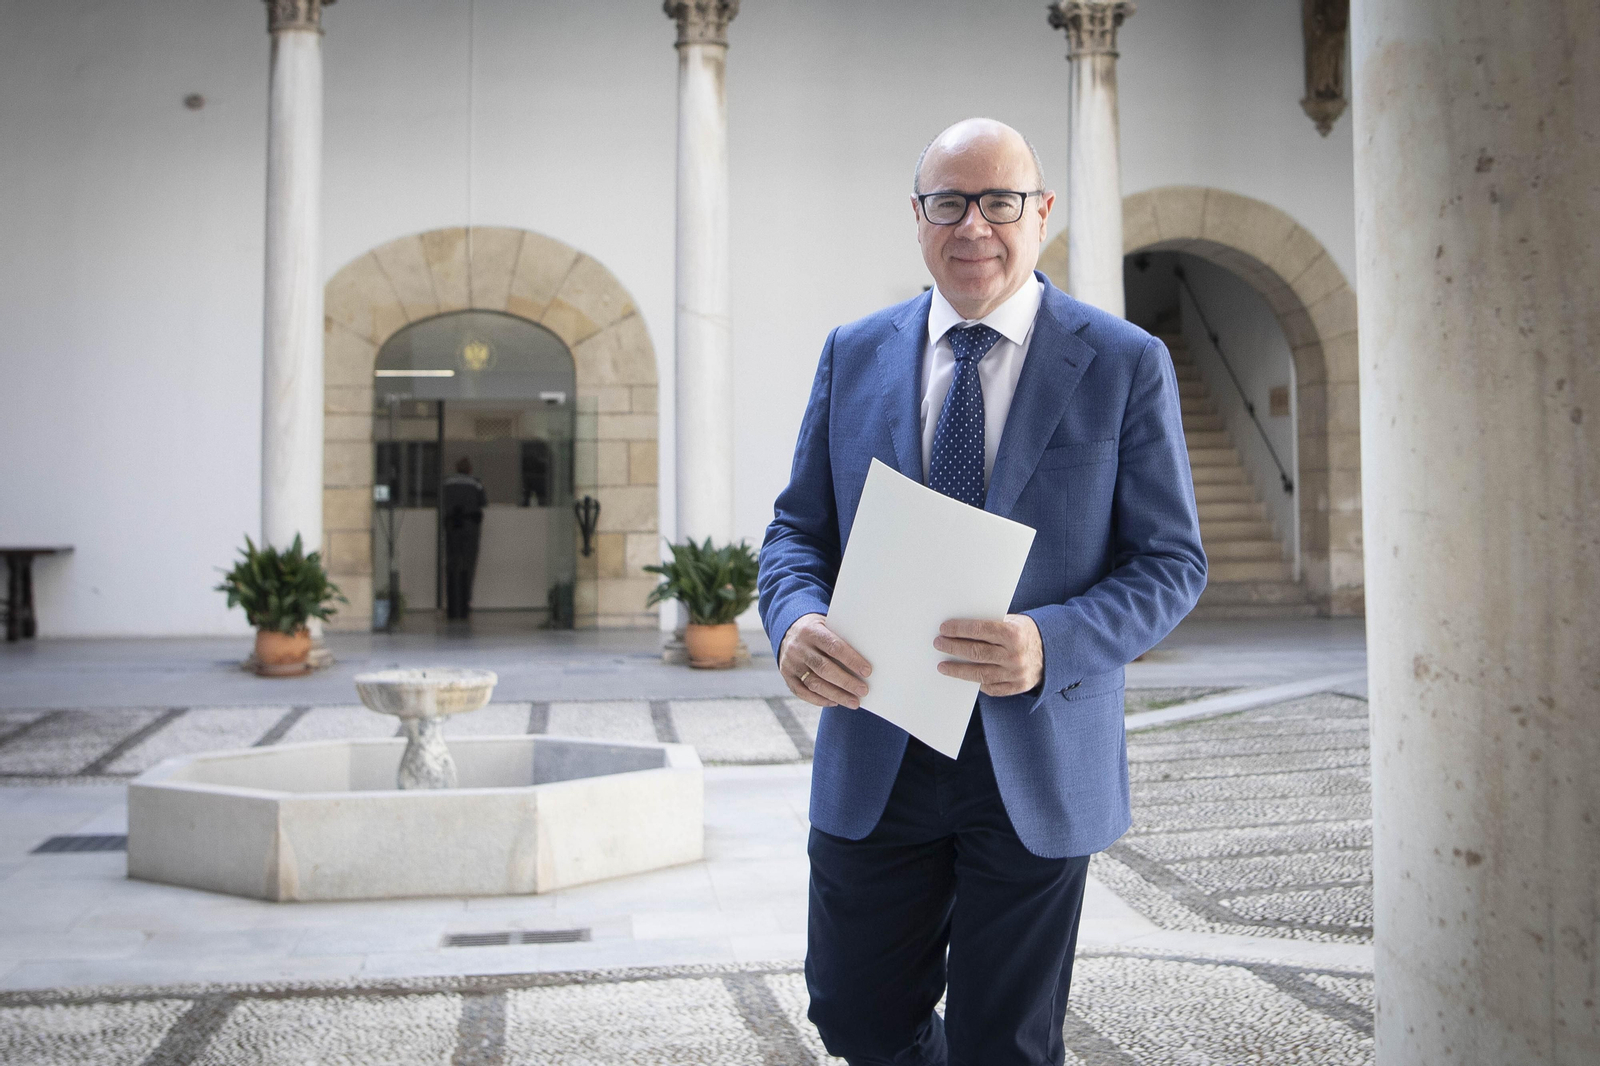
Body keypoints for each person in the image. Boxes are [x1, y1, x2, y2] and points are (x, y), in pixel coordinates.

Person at [756, 118, 1206, 1065]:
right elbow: (797, 532)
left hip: (1034, 754)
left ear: (1041, 213)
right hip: (880, 744)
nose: (975, 228)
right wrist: (795, 621)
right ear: (916, 216)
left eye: (1000, 202)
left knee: (1006, 1042)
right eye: (949, 203)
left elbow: (1171, 563)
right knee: (855, 1018)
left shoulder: (1124, 361)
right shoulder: (853, 353)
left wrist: (1051, 642)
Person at [441, 456, 488, 620]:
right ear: (469, 469)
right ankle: (465, 605)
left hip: (452, 527)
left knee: (452, 564)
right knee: (468, 564)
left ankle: (452, 607)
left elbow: (441, 502)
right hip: (470, 528)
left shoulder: (447, 482)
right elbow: (483, 502)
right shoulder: (476, 483)